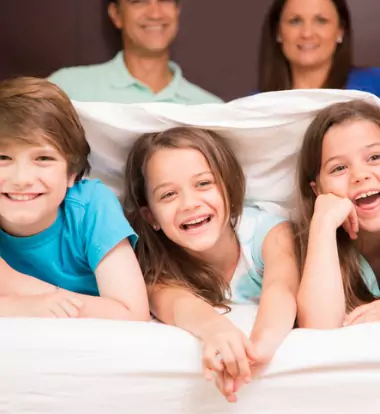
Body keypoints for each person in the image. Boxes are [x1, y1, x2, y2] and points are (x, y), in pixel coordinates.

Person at [122, 127, 299, 401]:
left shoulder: (269, 233)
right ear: (151, 217)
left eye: (203, 184)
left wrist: (257, 351)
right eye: (168, 195)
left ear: (228, 188)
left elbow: (282, 289)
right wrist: (217, 331)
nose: (189, 203)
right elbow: (176, 303)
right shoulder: (155, 268)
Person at [0, 76, 150, 321]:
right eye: (3, 158)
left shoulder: (91, 206)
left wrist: (16, 286)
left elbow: (133, 313)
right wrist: (22, 307)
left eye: (43, 159)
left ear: (71, 172)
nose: (22, 179)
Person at [296, 99, 380, 329]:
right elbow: (318, 326)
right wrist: (322, 224)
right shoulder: (302, 245)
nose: (360, 175)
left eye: (375, 157)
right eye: (339, 168)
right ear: (318, 190)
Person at [49, 0, 222, 104]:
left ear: (177, 10)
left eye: (165, 0)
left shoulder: (211, 110)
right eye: (139, 1)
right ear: (116, 14)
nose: (155, 13)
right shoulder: (67, 89)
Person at [258, 0, 380, 95]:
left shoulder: (375, 86)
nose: (307, 33)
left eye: (321, 21)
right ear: (278, 32)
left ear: (340, 31)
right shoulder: (254, 107)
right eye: (295, 21)